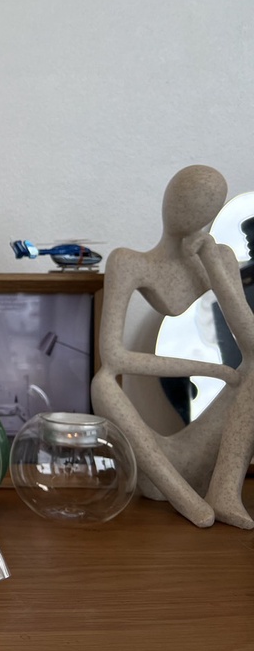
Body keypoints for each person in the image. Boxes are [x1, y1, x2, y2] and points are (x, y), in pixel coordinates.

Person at [92, 164, 254, 528]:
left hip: (201, 453)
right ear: (169, 199)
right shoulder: (128, 262)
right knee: (102, 382)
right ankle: (186, 500)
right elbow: (113, 357)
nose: (194, 209)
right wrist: (212, 369)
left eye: (207, 203)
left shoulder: (220, 258)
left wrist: (214, 266)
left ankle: (224, 492)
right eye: (188, 197)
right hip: (154, 466)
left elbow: (252, 346)